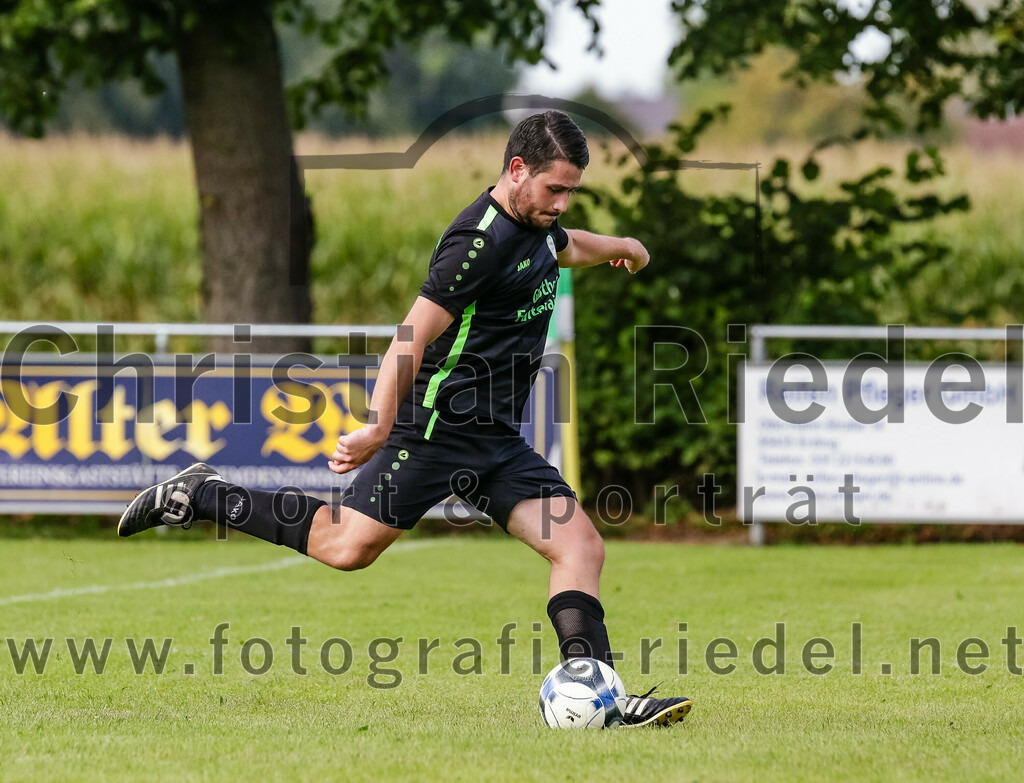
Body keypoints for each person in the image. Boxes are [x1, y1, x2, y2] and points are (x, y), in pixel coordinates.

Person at [118, 110, 692, 728]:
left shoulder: (537, 226)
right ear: (517, 170)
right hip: (436, 431)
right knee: (346, 548)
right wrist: (376, 427)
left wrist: (625, 247)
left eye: (571, 191)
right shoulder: (477, 244)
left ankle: (599, 693)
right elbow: (407, 343)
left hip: (494, 441)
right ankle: (202, 496)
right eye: (555, 188)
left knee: (580, 547)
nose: (562, 202)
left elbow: (567, 245)